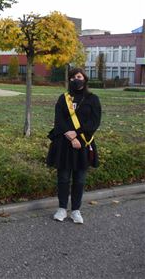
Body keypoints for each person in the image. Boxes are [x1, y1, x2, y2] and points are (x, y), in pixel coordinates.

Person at [47, 67, 101, 224]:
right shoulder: (63, 98)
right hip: (64, 143)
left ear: (84, 78)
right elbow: (59, 120)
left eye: (78, 76)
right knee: (63, 178)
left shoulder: (93, 99)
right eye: (72, 78)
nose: (75, 80)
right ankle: (62, 208)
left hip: (83, 143)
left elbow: (94, 122)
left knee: (80, 179)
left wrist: (78, 136)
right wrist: (70, 136)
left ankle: (76, 210)